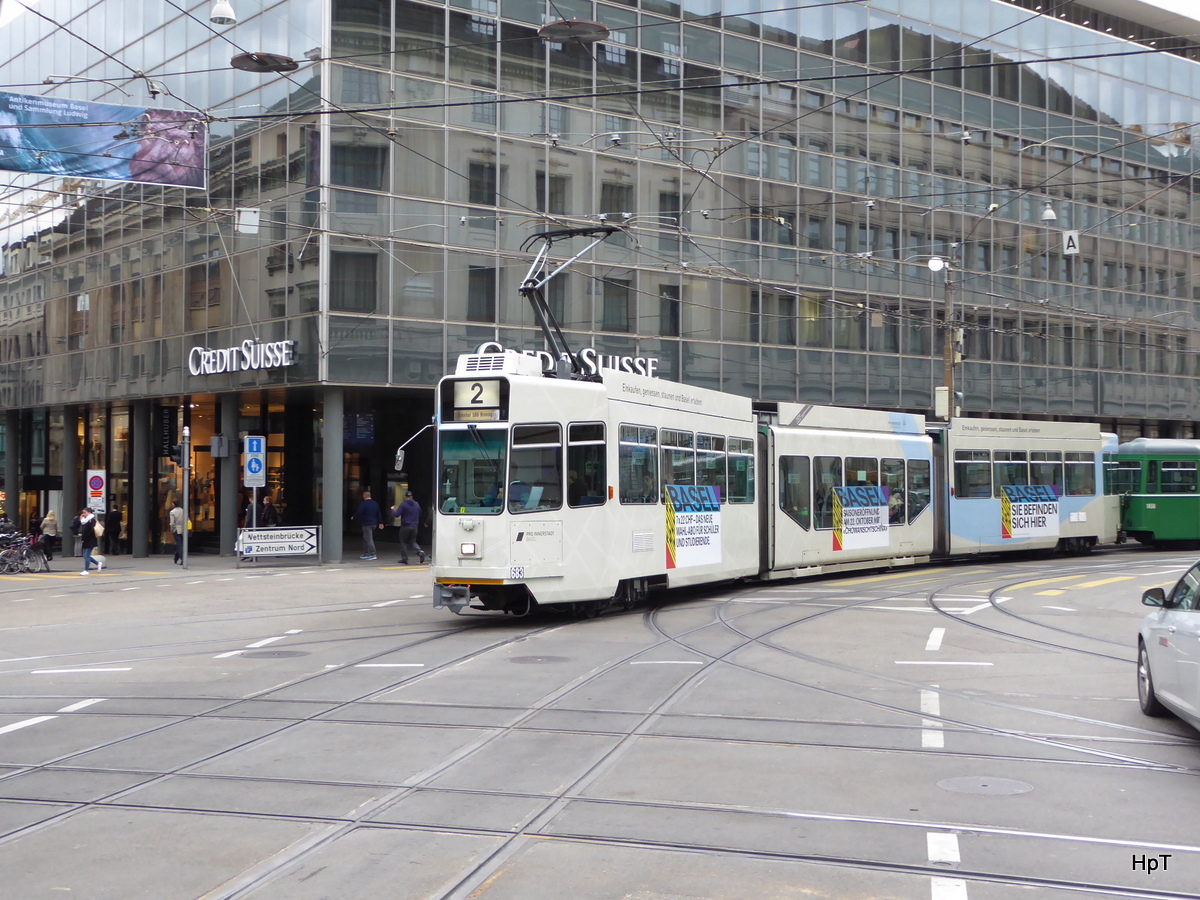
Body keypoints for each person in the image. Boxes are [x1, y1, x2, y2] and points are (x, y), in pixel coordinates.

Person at [390, 490, 424, 565]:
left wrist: (392, 510)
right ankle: (420, 552)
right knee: (413, 541)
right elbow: (420, 514)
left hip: (405, 526)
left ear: (405, 497)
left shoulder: (403, 505)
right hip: (415, 526)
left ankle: (404, 559)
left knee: (403, 542)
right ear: (412, 497)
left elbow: (396, 515)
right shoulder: (417, 504)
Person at [352, 489, 383, 561]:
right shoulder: (375, 503)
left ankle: (372, 554)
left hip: (367, 524)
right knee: (366, 538)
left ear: (364, 496)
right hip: (374, 524)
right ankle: (366, 553)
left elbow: (359, 512)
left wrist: (354, 517)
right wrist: (380, 522)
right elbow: (378, 514)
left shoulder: (364, 504)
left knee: (369, 539)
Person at [78, 508, 101, 575]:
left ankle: (86, 570)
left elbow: (91, 530)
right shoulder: (84, 521)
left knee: (87, 555)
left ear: (89, 512)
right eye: (83, 513)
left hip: (90, 540)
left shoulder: (92, 520)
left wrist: (86, 535)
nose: (83, 514)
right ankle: (97, 563)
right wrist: (81, 519)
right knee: (85, 555)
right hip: (85, 540)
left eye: (84, 512)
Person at [169, 500, 185, 564]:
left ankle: (182, 558)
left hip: (176, 529)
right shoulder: (183, 511)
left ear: (173, 504)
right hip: (183, 529)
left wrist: (172, 529)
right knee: (180, 543)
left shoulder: (172, 512)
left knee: (179, 544)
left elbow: (172, 523)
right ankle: (176, 558)